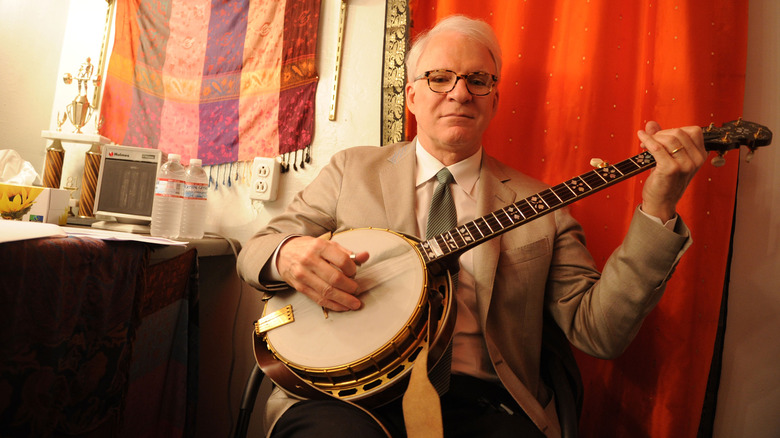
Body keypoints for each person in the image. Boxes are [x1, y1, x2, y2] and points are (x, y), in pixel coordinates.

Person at [237, 14, 705, 438]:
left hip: (484, 405)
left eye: (477, 80)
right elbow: (259, 248)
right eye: (440, 78)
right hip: (344, 397)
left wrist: (658, 206)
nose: (459, 92)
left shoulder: (541, 205)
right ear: (412, 95)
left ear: (494, 100)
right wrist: (289, 253)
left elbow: (598, 332)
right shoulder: (350, 172)